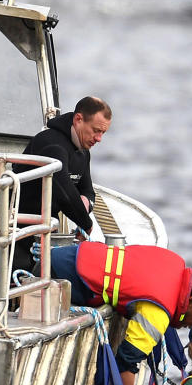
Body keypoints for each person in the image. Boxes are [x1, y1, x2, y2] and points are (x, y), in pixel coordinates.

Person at [50, 241, 192, 385]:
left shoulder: (173, 262)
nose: (191, 328)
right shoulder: (158, 313)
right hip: (63, 279)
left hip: (65, 255)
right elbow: (126, 362)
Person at [13, 97, 112, 271]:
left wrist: (85, 203)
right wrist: (86, 224)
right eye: (96, 131)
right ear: (78, 119)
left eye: (103, 133)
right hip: (17, 232)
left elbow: (88, 191)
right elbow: (64, 193)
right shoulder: (51, 143)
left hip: (47, 230)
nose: (99, 139)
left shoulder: (82, 152)